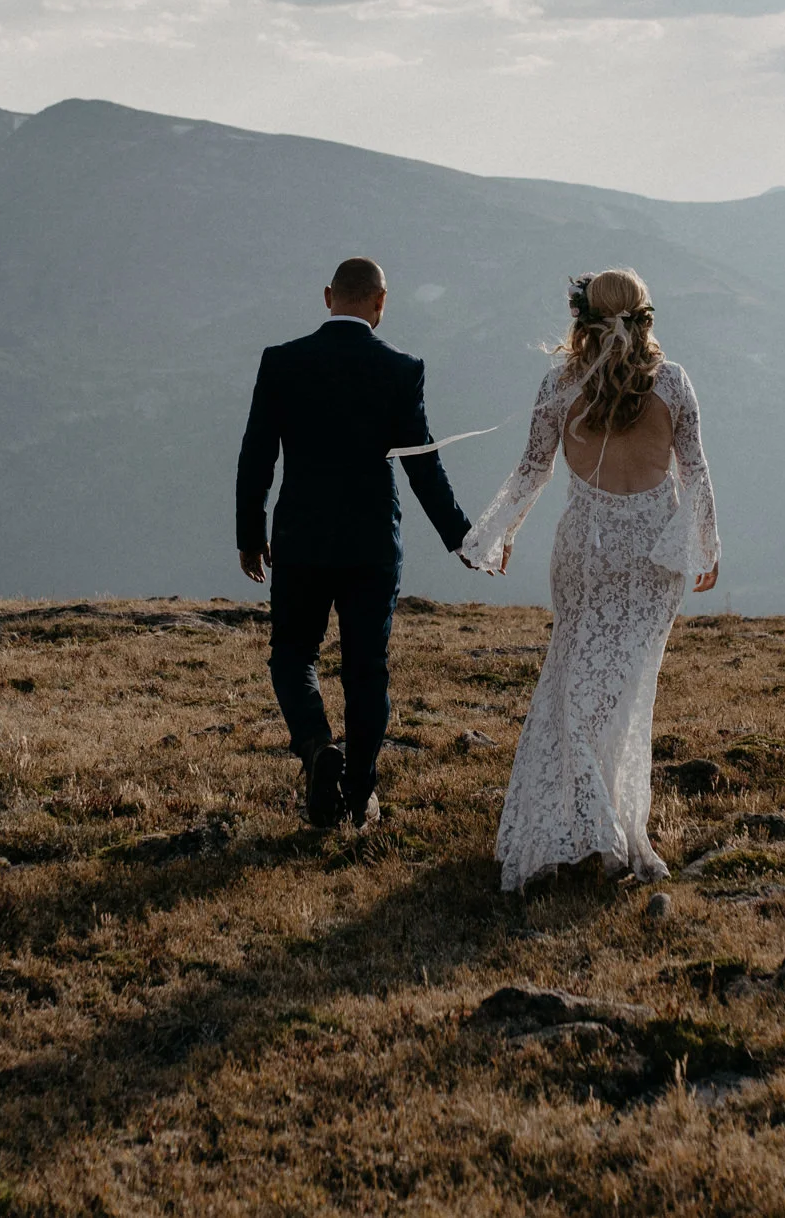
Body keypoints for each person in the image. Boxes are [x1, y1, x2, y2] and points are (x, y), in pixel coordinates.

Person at [459, 268, 720, 890]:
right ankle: (609, 827)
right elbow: (696, 474)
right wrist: (704, 548)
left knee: (571, 681)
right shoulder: (674, 384)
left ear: (582, 320)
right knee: (628, 697)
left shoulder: (558, 387)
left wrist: (494, 533)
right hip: (655, 557)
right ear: (643, 316)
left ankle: (582, 825)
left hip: (586, 551)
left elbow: (531, 470)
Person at [237, 257, 473, 829]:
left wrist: (251, 535)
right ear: (380, 302)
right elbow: (423, 466)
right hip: (371, 542)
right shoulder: (401, 369)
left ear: (327, 297)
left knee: (293, 655)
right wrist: (462, 537)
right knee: (367, 667)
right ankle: (361, 790)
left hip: (300, 536)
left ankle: (318, 749)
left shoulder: (282, 362)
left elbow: (257, 454)